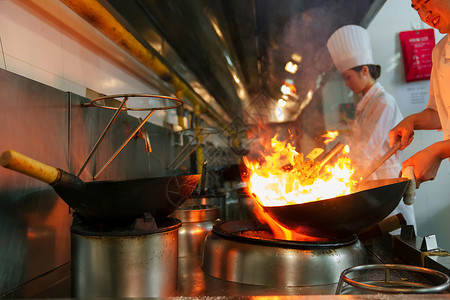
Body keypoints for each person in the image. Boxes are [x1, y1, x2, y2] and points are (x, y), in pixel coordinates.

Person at [327, 24, 417, 230]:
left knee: (395, 249)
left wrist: (331, 170)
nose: (347, 84)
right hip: (373, 194)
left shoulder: (383, 102)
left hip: (387, 195)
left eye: (348, 77)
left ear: (364, 70)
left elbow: (366, 152)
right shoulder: (366, 104)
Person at [389, 0, 450, 189]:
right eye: (417, 8)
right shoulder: (439, 51)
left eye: (426, 1)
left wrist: (439, 151)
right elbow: (441, 114)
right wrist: (412, 121)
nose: (424, 15)